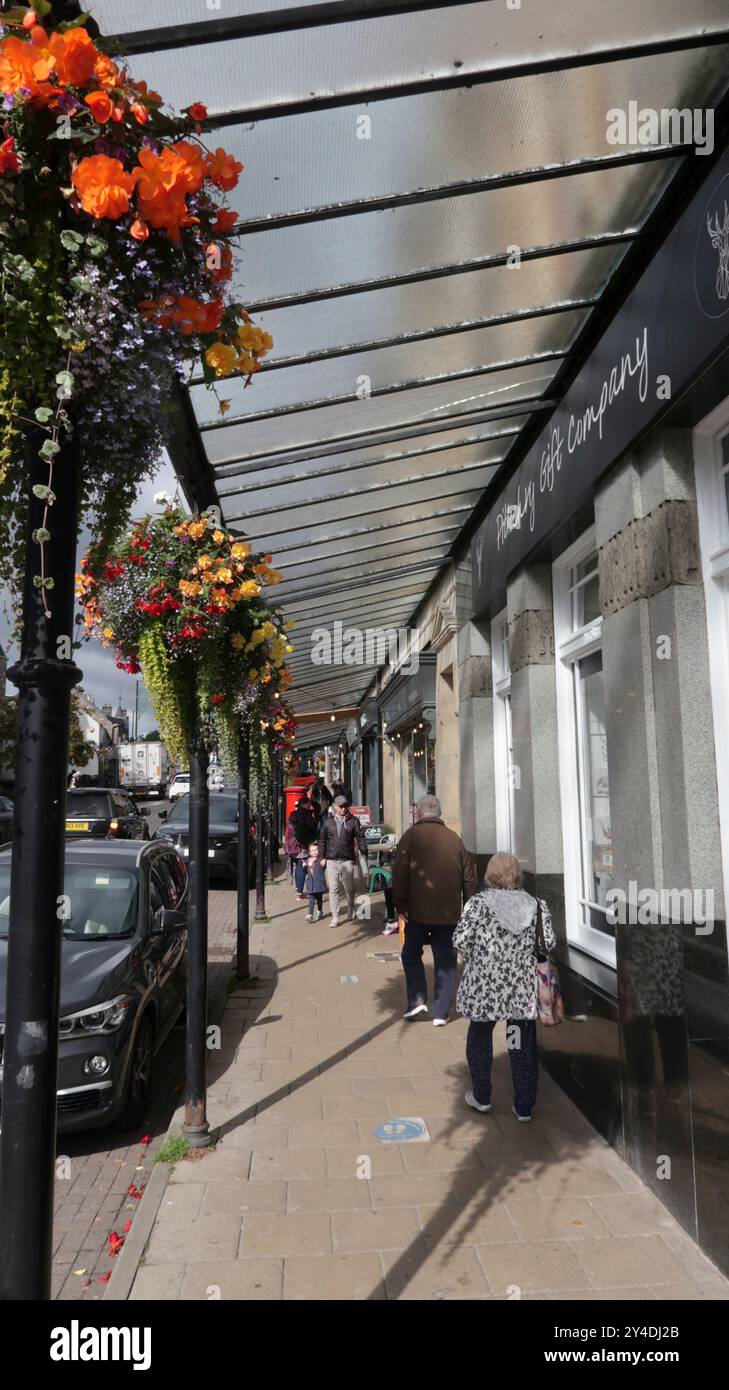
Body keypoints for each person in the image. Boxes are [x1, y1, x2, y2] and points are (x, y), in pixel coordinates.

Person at [453, 851, 555, 1122]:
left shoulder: (477, 904)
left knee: (480, 1037)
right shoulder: (536, 904)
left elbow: (461, 941)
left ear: (490, 875)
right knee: (520, 1044)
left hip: (484, 987)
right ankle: (523, 1107)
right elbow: (549, 943)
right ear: (517, 875)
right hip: (520, 989)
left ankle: (482, 1096)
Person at [392, 794, 476, 1024]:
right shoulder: (454, 839)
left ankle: (418, 999)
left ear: (418, 813)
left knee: (410, 954)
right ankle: (441, 1012)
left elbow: (399, 873)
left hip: (416, 912)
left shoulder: (409, 837)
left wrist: (401, 905)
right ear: (439, 813)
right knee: (446, 959)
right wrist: (468, 906)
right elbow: (469, 877)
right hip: (448, 912)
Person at [318, 794, 367, 926]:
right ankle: (335, 917)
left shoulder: (353, 821)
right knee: (333, 888)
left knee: (349, 887)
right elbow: (322, 840)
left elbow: (360, 837)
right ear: (335, 807)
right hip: (331, 860)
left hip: (347, 859)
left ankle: (351, 906)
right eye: (340, 807)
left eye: (345, 806)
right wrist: (321, 857)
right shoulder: (328, 822)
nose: (343, 809)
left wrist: (364, 853)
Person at [290, 797, 317, 900]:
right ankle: (300, 893)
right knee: (302, 867)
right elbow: (312, 826)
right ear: (304, 804)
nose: (309, 805)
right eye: (308, 803)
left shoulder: (293, 814)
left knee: (298, 865)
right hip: (302, 844)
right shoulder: (305, 814)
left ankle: (298, 890)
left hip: (293, 845)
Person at [304, 842, 326, 922]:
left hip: (319, 883)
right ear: (309, 852)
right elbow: (305, 872)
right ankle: (310, 914)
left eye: (316, 850)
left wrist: (323, 864)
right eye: (312, 850)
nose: (315, 852)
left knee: (319, 899)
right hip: (311, 884)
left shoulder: (320, 860)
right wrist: (304, 866)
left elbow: (323, 866)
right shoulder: (307, 861)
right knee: (311, 899)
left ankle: (320, 911)